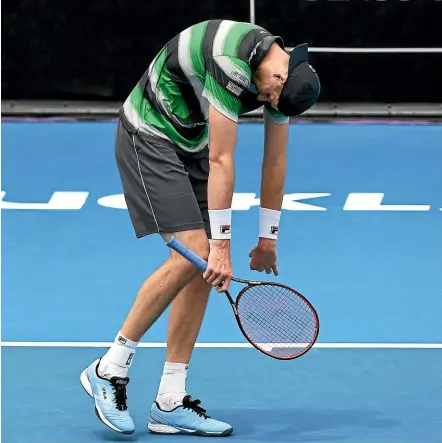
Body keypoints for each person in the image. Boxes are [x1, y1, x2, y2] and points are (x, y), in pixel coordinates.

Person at [80, 19, 320, 437]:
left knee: (201, 263)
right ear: (278, 76)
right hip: (149, 135)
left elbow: (275, 163)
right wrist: (222, 248)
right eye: (268, 96)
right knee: (195, 251)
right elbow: (222, 161)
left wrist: (268, 237)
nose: (265, 102)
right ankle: (109, 367)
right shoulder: (232, 64)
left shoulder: (282, 80)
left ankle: (170, 400)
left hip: (190, 141)